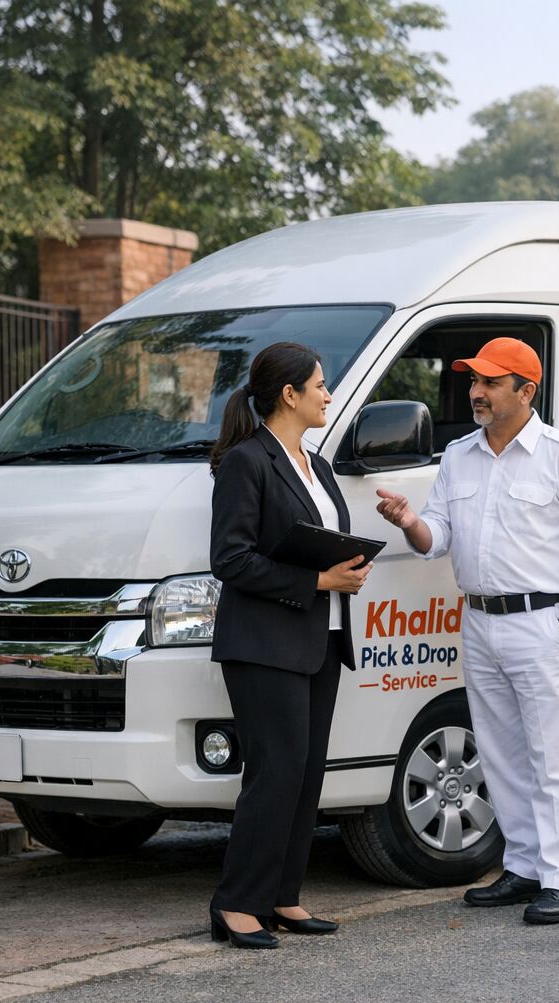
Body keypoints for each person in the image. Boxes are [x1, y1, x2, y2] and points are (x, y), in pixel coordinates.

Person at [375, 337, 559, 926]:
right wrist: (409, 522)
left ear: (525, 391)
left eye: (489, 382)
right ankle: (525, 866)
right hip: (479, 621)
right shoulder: (459, 454)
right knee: (502, 755)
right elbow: (440, 535)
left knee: (554, 754)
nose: (475, 393)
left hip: (543, 622)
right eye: (473, 382)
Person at [207, 342, 368, 949]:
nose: (329, 395)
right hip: (263, 644)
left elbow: (315, 539)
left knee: (305, 774)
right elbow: (230, 558)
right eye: (321, 385)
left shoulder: (317, 465)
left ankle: (283, 897)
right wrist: (317, 580)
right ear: (289, 395)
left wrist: (346, 565)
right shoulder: (247, 463)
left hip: (320, 638)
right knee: (273, 774)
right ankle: (235, 905)